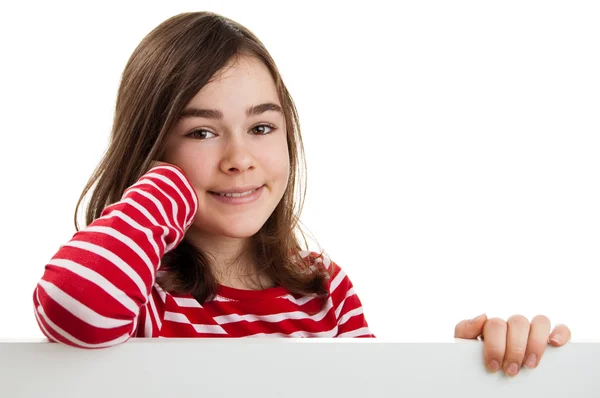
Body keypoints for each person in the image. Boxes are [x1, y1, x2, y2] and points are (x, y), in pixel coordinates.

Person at [32, 11, 570, 377]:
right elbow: (74, 306)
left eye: (262, 129)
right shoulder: (142, 295)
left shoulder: (323, 290)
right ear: (150, 148)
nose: (239, 158)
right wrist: (169, 182)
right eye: (201, 132)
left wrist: (463, 372)